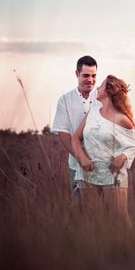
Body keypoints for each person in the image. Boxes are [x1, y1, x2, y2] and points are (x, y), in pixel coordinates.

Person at [71, 74, 135, 214]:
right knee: (92, 220)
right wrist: (82, 158)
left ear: (108, 91)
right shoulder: (93, 113)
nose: (97, 88)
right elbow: (75, 138)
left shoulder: (122, 119)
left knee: (119, 220)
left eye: (101, 86)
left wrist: (122, 157)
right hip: (88, 174)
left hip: (112, 175)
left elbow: (134, 144)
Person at [52, 55, 98, 203]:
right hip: (76, 165)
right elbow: (63, 133)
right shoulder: (65, 100)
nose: (90, 80)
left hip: (102, 165)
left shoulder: (102, 97)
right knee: (79, 209)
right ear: (77, 74)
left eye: (93, 76)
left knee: (103, 212)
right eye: (85, 75)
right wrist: (82, 158)